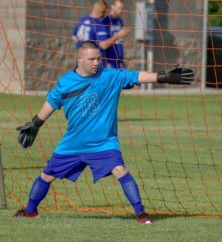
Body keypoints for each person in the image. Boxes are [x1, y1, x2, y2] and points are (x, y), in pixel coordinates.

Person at [14, 41, 194, 224]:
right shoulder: (66, 82)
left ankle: (141, 214)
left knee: (120, 170)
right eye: (92, 59)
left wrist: (163, 77)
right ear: (79, 58)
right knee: (47, 175)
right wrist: (35, 124)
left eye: (98, 59)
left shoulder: (110, 76)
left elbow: (138, 76)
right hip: (73, 143)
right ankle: (30, 211)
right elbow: (51, 103)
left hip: (103, 143)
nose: (96, 63)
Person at [102, 0, 130, 69]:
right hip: (110, 60)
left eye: (122, 8)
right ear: (112, 7)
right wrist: (105, 62)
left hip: (119, 59)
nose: (121, 11)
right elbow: (103, 43)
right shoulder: (105, 21)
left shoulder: (119, 21)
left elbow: (119, 40)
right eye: (118, 8)